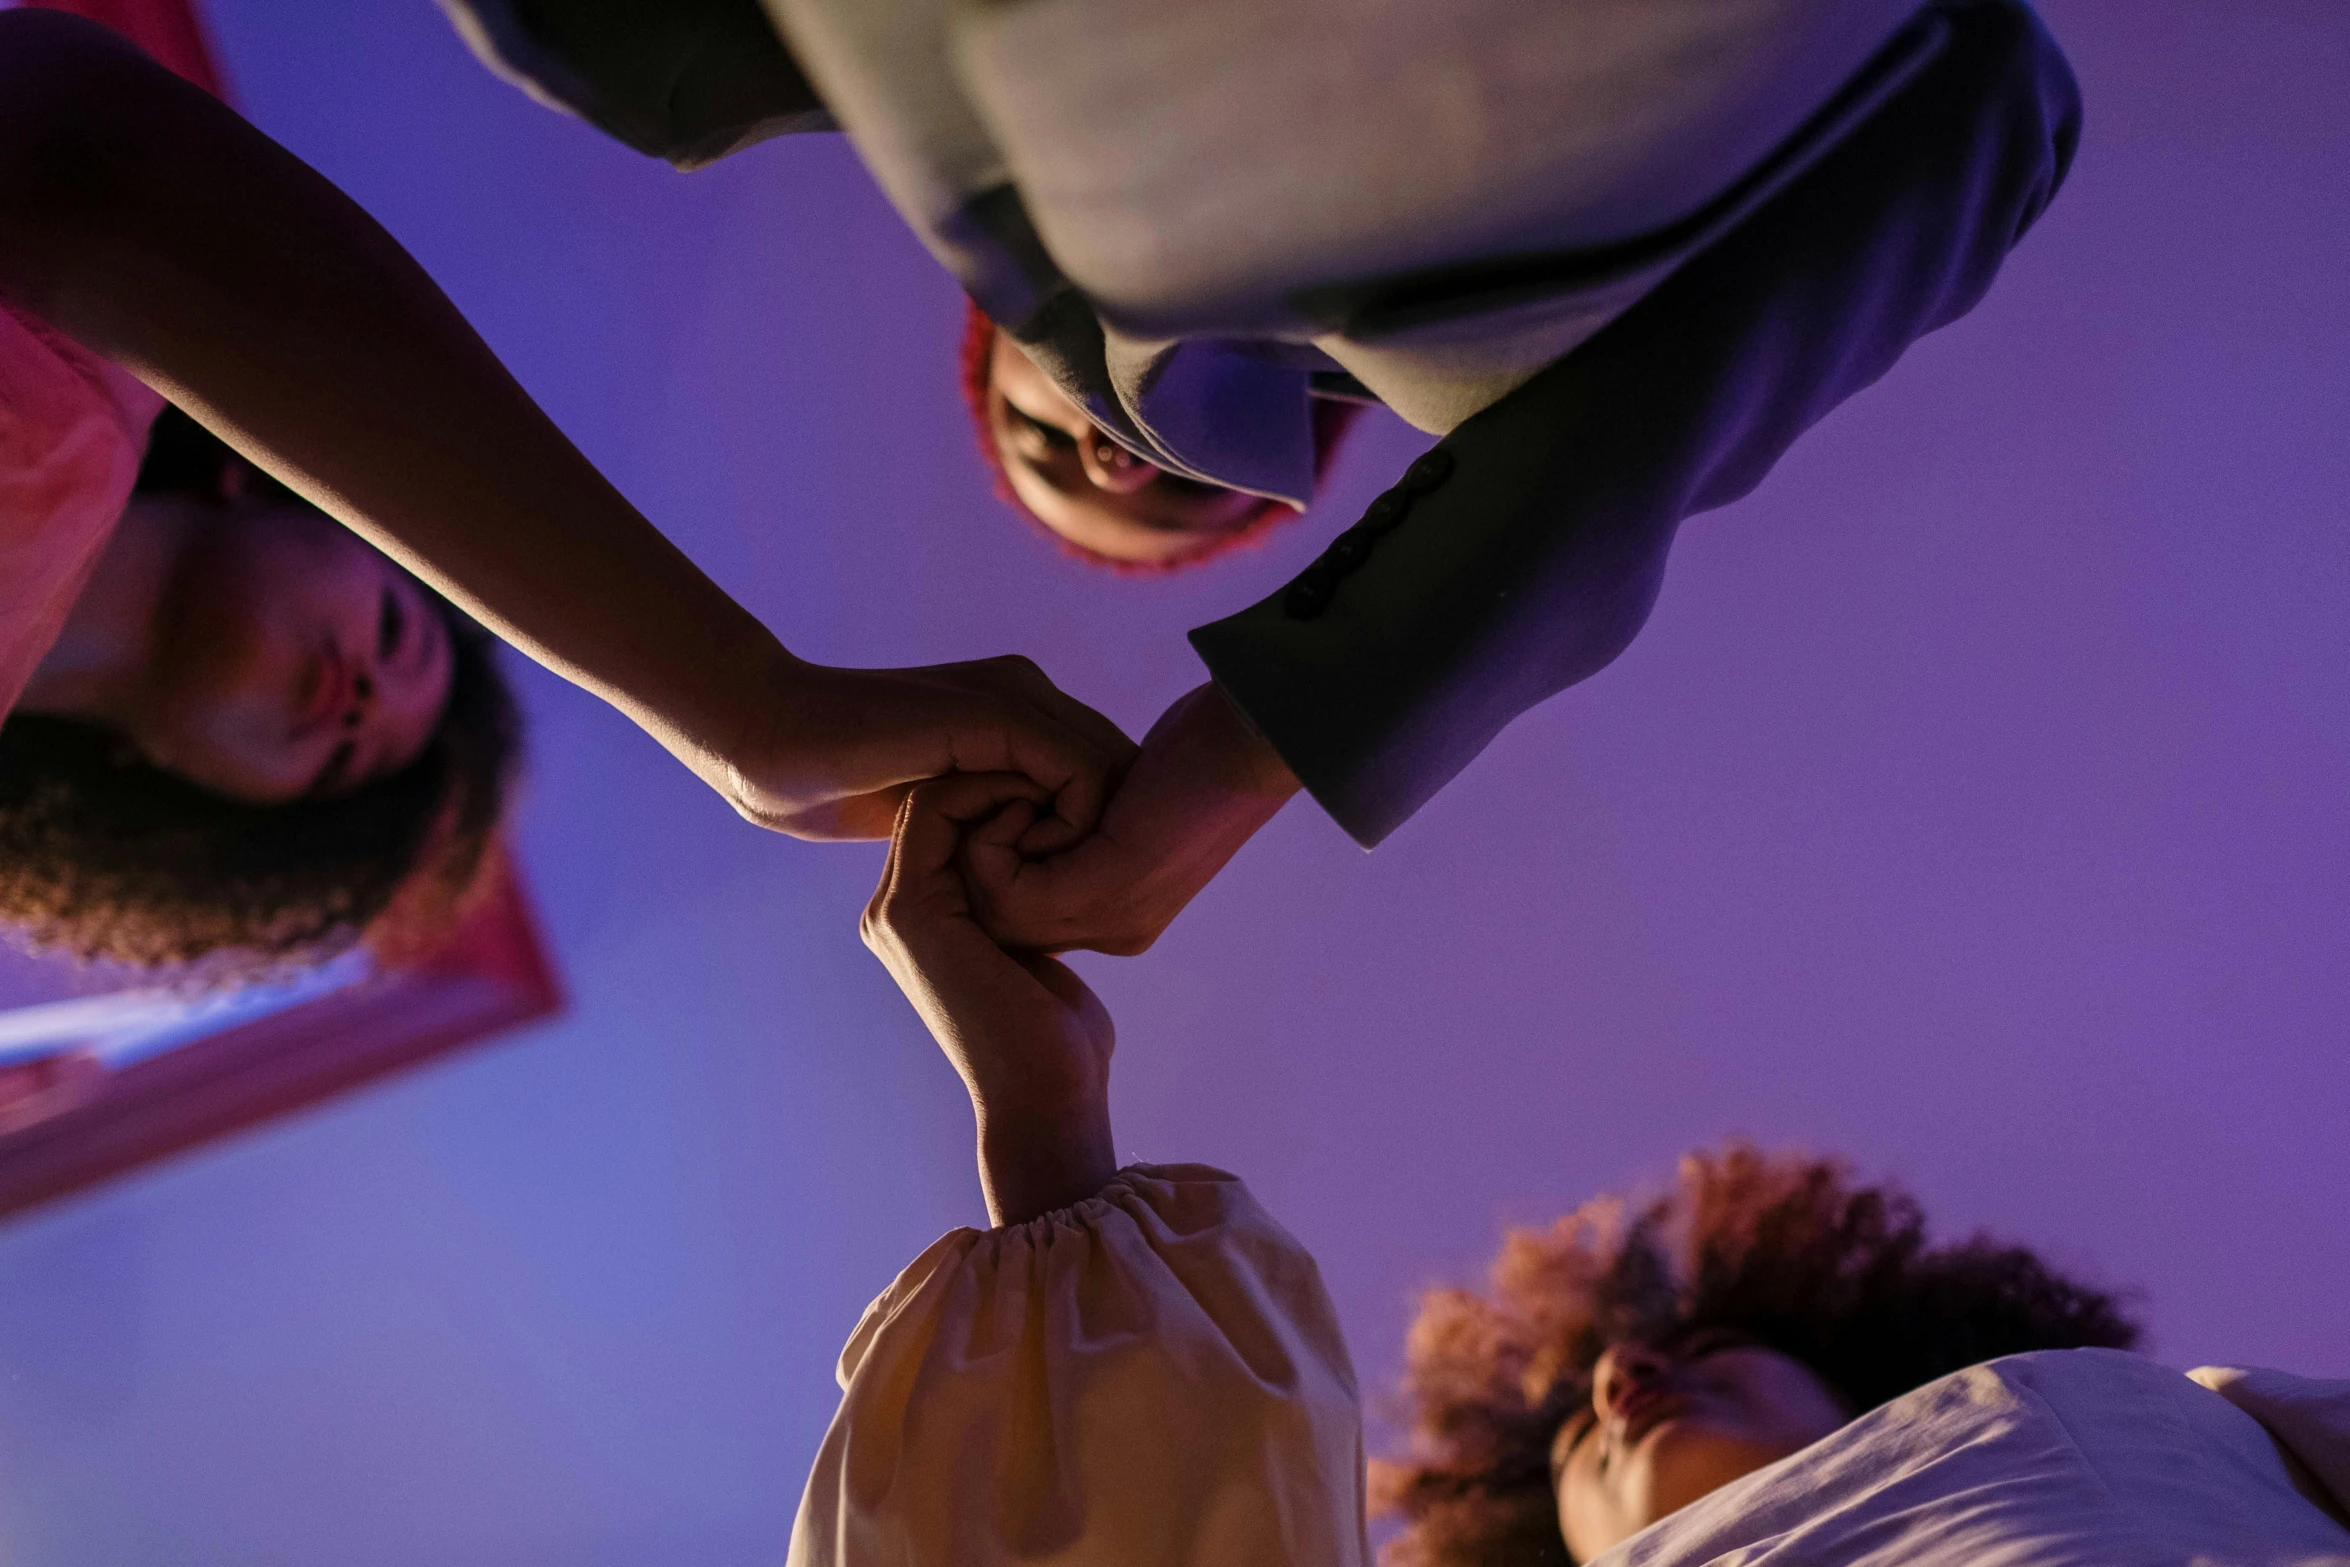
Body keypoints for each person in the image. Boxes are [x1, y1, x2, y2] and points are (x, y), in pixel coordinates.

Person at [439, 0, 2082, 963]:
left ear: (990, 328)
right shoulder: (1522, 335)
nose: (1109, 448)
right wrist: (1251, 746)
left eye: (1046, 444)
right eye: (1169, 477)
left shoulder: (653, 49)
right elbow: (1987, 97)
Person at [791, 775, 2350, 1565]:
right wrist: (1042, 1105)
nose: (1620, 1380)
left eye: (1694, 1343)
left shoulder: (2194, 1416)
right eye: (1577, 1443)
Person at [0, 7, 1131, 892]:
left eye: (350, 760)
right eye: (400, 631)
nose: (365, 703)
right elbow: (71, 144)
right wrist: (745, 709)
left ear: (188, 796)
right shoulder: (87, 372)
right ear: (280, 485)